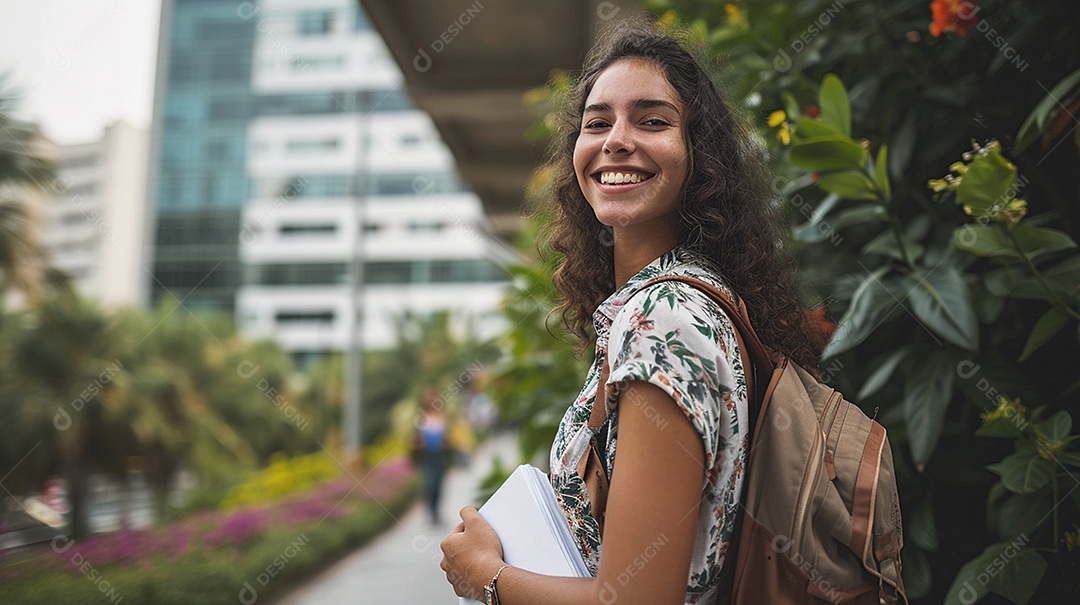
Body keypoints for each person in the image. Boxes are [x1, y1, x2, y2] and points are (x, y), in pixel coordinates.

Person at [441, 19, 826, 605]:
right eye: (598, 123)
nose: (615, 139)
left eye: (652, 120)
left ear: (700, 155)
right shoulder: (683, 301)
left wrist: (487, 578)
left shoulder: (664, 321)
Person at [413, 387, 452, 525]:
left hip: (439, 455)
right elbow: (416, 438)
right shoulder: (421, 418)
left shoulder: (443, 417)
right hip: (427, 456)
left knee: (439, 484)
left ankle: (436, 511)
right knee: (430, 483)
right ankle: (429, 510)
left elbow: (448, 437)